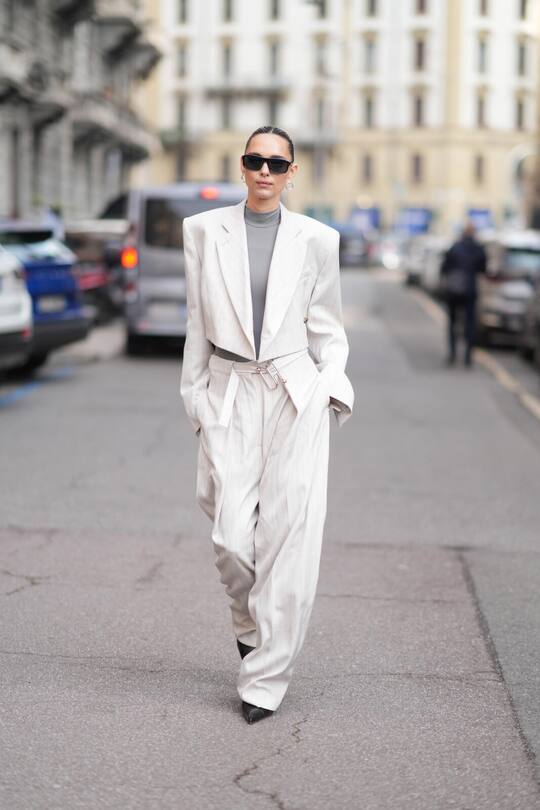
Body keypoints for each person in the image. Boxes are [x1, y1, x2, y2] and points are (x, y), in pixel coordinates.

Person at [180, 126, 354, 724]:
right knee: (230, 534)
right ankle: (250, 621)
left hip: (293, 393)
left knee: (289, 538)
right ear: (242, 165)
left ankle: (266, 679)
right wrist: (196, 400)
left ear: (291, 172)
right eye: (255, 161)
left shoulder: (317, 240)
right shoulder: (203, 231)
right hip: (228, 393)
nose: (264, 172)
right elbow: (196, 322)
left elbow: (328, 329)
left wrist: (331, 388)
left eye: (276, 164)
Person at [440, 221, 487, 367]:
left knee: (452, 323)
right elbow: (483, 269)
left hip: (454, 290)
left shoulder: (455, 247)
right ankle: (467, 357)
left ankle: (453, 354)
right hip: (470, 290)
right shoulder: (479, 249)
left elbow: (444, 268)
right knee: (470, 324)